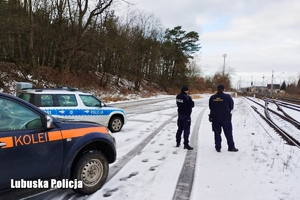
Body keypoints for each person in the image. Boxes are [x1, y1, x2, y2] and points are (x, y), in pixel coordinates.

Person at [209, 84, 238, 152]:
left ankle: (218, 147)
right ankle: (231, 147)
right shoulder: (227, 97)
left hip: (215, 118)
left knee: (217, 133)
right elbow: (231, 106)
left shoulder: (212, 97)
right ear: (224, 89)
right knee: (228, 133)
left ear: (217, 89)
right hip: (226, 118)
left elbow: (210, 107)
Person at [175, 86, 195, 150]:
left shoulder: (178, 96)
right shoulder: (187, 97)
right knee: (186, 130)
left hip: (180, 114)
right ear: (186, 91)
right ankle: (186, 144)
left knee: (179, 129)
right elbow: (192, 105)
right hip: (186, 115)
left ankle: (178, 142)